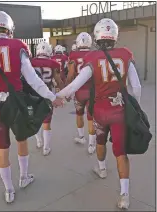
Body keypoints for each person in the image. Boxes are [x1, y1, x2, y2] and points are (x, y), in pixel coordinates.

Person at [0, 11, 63, 203]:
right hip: (17, 103)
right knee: (22, 140)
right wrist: (51, 96)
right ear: (9, 27)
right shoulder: (18, 46)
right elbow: (33, 79)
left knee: (2, 147)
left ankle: (8, 190)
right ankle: (23, 177)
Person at [56, 18, 141, 209]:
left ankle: (101, 169)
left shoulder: (92, 58)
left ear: (97, 36)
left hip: (101, 111)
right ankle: (125, 194)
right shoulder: (125, 54)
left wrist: (57, 96)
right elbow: (136, 86)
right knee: (121, 152)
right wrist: (135, 106)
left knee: (100, 141)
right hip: (120, 110)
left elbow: (75, 84)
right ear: (114, 36)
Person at [31, 41, 64, 156]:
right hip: (48, 95)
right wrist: (64, 92)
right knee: (47, 122)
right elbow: (58, 81)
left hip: (33, 95)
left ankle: (39, 141)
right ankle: (46, 147)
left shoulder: (31, 62)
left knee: (35, 119)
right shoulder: (53, 63)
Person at [66, 32, 96, 154]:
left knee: (79, 114)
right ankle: (91, 144)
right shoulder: (94, 54)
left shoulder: (73, 55)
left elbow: (71, 74)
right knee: (91, 117)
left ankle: (81, 137)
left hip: (79, 91)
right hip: (92, 90)